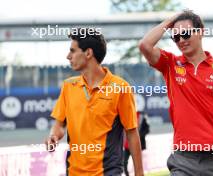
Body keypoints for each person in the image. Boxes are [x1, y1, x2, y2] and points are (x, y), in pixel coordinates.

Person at [139, 10, 213, 176]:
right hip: (182, 159)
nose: (181, 40)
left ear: (201, 32)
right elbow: (145, 45)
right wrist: (172, 20)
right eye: (176, 37)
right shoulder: (170, 64)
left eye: (186, 34)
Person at [45, 28, 144, 176]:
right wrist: (53, 136)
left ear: (88, 53)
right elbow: (59, 125)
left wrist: (139, 174)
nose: (68, 56)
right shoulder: (68, 86)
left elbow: (131, 133)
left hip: (108, 172)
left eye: (72, 51)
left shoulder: (120, 87)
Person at [123, 111, 150, 176]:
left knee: (137, 165)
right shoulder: (126, 114)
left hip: (137, 145)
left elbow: (147, 129)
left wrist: (140, 135)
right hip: (126, 146)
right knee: (124, 163)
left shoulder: (142, 117)